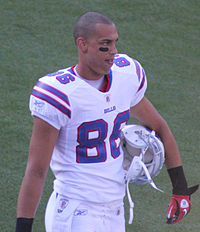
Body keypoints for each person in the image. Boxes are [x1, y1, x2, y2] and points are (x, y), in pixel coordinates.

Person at [15, 12, 198, 232]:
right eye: (105, 45)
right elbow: (36, 170)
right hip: (75, 209)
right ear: (82, 44)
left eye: (114, 43)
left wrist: (180, 188)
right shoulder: (59, 94)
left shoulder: (125, 77)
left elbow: (159, 127)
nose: (113, 52)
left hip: (114, 209)